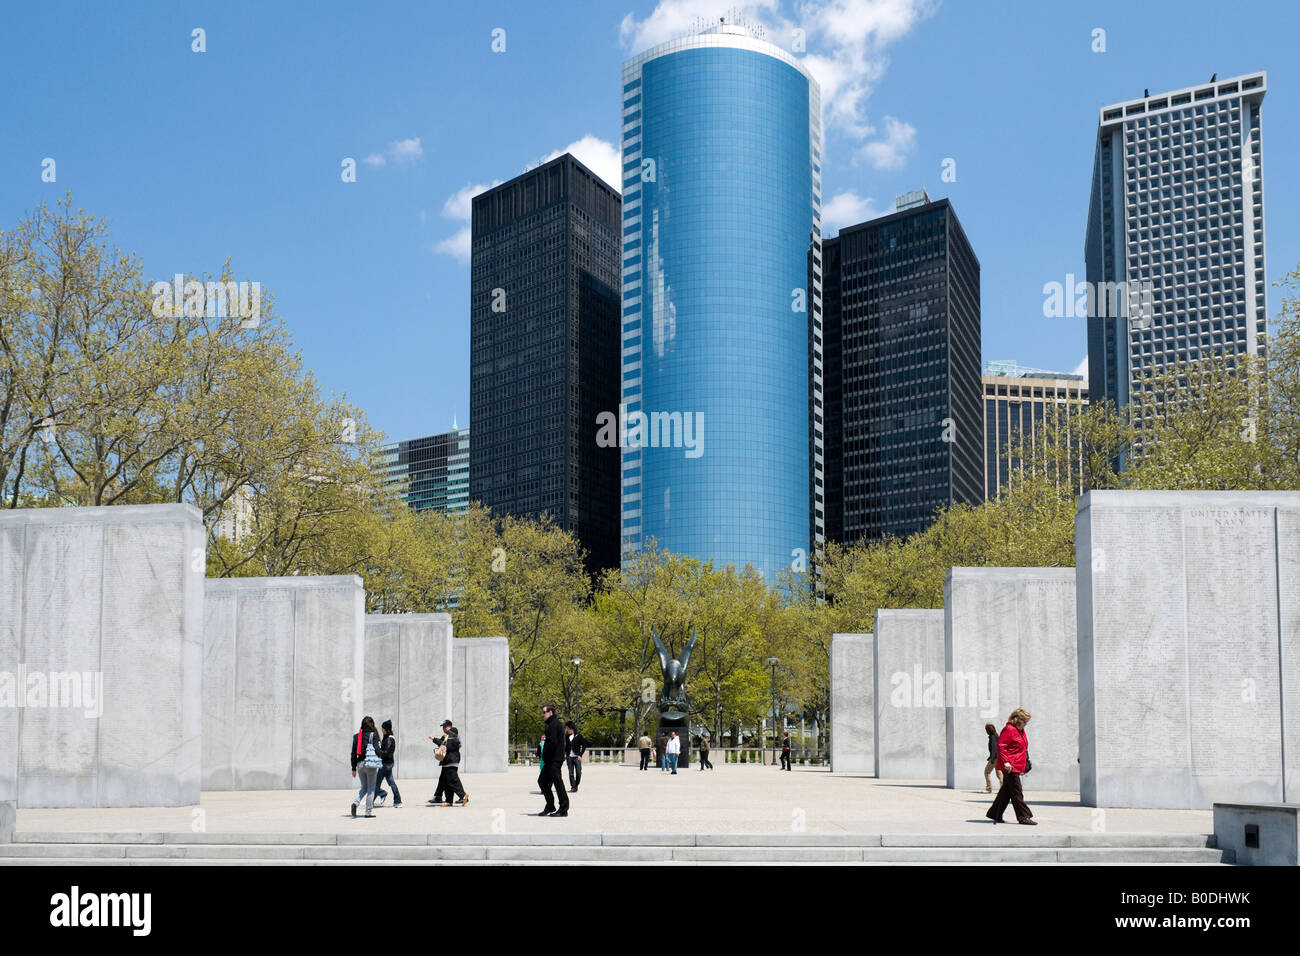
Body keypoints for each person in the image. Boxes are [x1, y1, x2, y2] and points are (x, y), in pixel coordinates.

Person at [987, 708, 1036, 825]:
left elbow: (1021, 749)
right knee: (1017, 792)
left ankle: (995, 813)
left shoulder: (1020, 731)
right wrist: (1006, 762)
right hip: (1010, 767)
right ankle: (1023, 817)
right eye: (1024, 721)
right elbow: (1001, 746)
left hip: (1017, 766)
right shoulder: (1009, 730)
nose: (1026, 724)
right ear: (1017, 720)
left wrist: (1023, 766)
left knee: (1006, 792)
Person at [537, 703, 569, 817]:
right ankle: (550, 805)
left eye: (544, 712)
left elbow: (552, 743)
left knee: (558, 783)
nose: (543, 715)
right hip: (550, 760)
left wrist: (545, 755)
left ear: (550, 712)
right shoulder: (551, 724)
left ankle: (563, 808)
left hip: (554, 759)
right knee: (542, 781)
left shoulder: (555, 725)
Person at [350, 715, 383, 818]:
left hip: (360, 765)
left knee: (364, 787)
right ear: (372, 724)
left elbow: (353, 753)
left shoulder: (356, 736)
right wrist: (383, 754)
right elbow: (377, 750)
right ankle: (368, 812)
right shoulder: (373, 735)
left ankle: (356, 803)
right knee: (371, 789)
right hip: (370, 765)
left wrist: (353, 768)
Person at [435, 721, 468, 807]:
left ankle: (463, 796)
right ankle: (449, 801)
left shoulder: (454, 741)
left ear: (453, 734)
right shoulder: (450, 740)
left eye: (449, 733)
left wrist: (434, 739)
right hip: (447, 763)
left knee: (453, 781)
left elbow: (445, 746)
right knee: (446, 783)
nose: (447, 734)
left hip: (451, 763)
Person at [564, 721, 586, 792]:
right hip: (569, 757)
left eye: (567, 728)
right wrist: (565, 753)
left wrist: (580, 755)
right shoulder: (567, 736)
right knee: (571, 773)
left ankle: (576, 784)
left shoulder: (579, 736)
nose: (566, 730)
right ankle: (573, 787)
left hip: (577, 757)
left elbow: (584, 745)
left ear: (571, 728)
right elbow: (566, 746)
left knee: (579, 772)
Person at [982, 722, 1004, 793]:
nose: (985, 731)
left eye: (986, 729)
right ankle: (1002, 789)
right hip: (998, 758)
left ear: (988, 730)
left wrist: (992, 759)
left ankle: (989, 788)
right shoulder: (997, 736)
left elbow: (994, 748)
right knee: (999, 774)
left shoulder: (992, 737)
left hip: (994, 758)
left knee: (986, 772)